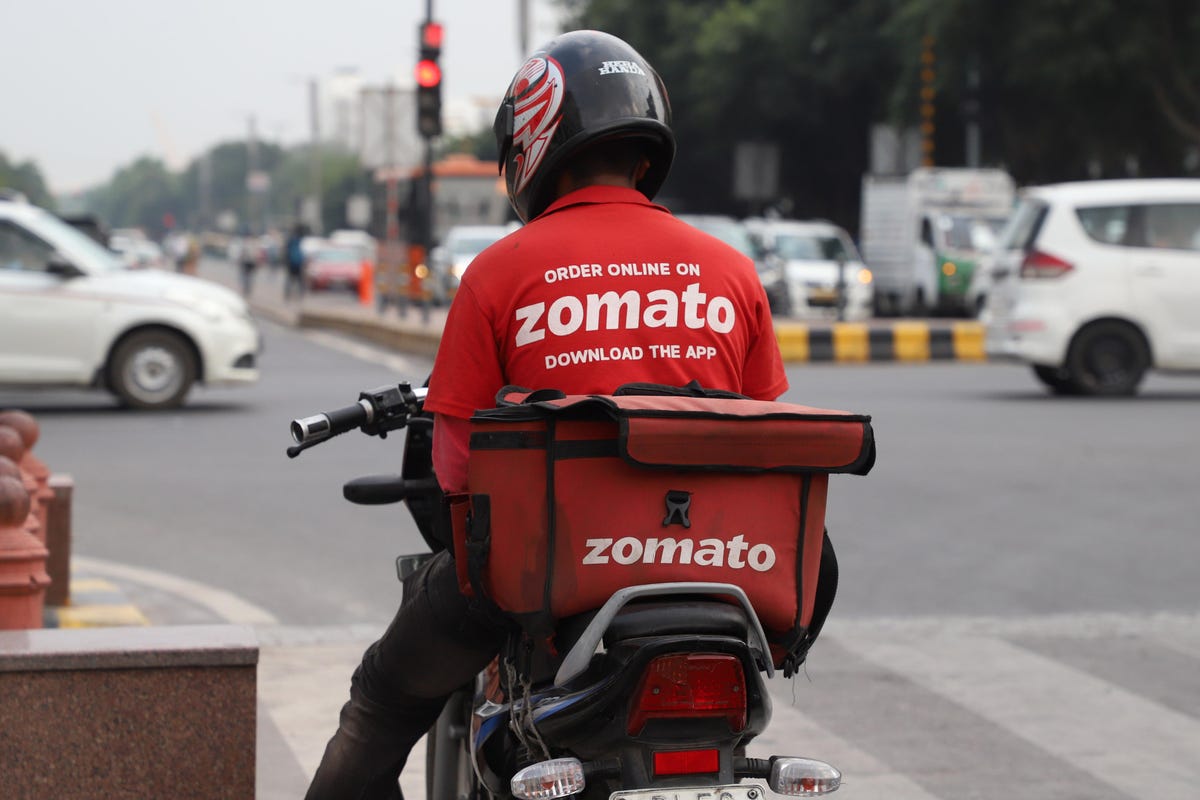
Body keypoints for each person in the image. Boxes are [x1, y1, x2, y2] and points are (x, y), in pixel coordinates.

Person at [305, 30, 788, 799]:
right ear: (646, 147)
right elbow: (766, 436)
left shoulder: (501, 272)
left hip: (544, 583)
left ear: (534, 143)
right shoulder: (731, 271)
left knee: (381, 701)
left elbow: (455, 464)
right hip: (719, 576)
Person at [284, 223, 308, 301]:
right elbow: (304, 253)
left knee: (290, 280)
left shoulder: (290, 240)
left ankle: (288, 295)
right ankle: (301, 295)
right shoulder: (300, 240)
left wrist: (286, 263)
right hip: (298, 263)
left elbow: (286, 252)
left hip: (291, 263)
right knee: (300, 280)